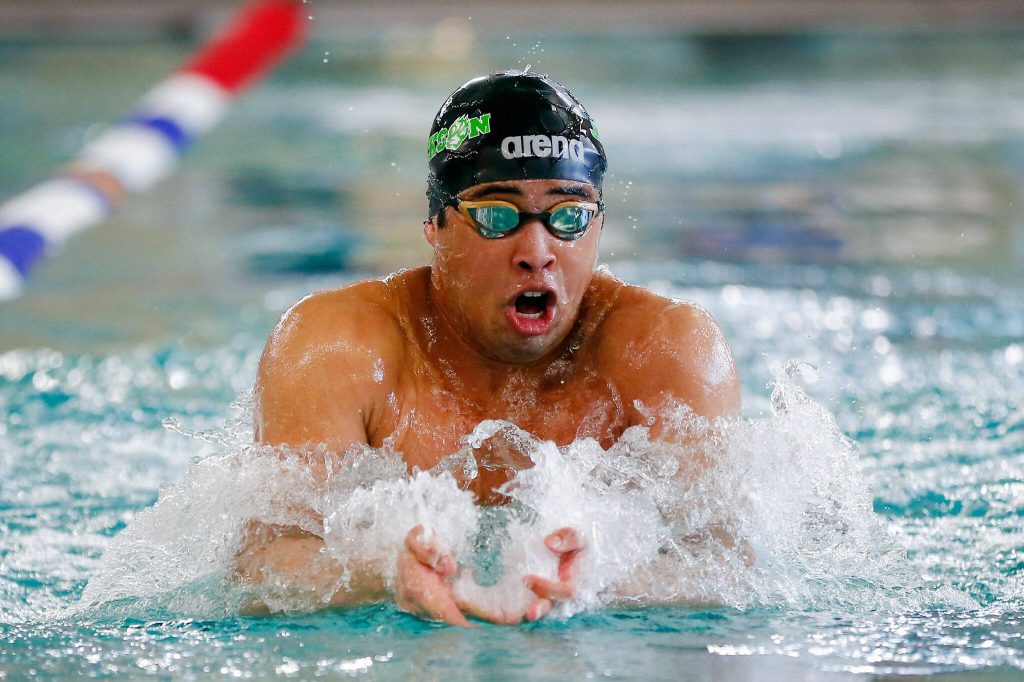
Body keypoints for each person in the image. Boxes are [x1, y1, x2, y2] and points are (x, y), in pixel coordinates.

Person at [234, 70, 741, 626]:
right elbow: (261, 565)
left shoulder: (668, 353)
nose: (537, 251)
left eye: (569, 215)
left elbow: (727, 560)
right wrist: (378, 569)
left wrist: (610, 573)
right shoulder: (336, 347)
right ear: (435, 224)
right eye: (497, 215)